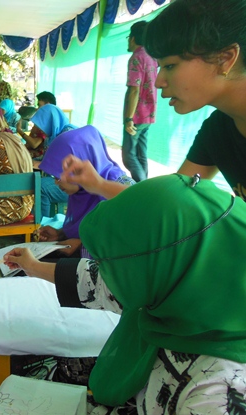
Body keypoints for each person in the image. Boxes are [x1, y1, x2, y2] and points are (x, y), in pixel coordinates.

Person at [4, 173, 246, 414]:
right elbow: (97, 281)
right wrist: (33, 266)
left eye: (120, 266)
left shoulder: (220, 393)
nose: (111, 275)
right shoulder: (184, 289)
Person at [62, 0, 246, 203]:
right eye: (160, 67)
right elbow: (168, 201)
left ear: (225, 59)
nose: (158, 82)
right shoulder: (218, 130)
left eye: (170, 66)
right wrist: (98, 184)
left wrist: (128, 119)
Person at [36, 125, 134, 257]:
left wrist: (81, 245)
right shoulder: (81, 192)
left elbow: (129, 240)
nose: (56, 182)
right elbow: (87, 229)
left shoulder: (122, 189)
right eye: (55, 177)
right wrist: (61, 234)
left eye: (59, 177)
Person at [122, 21, 157, 183]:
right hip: (149, 114)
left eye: (129, 38)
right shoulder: (152, 57)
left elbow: (134, 90)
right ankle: (145, 186)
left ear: (133, 38)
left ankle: (141, 187)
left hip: (136, 115)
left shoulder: (136, 58)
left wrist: (129, 118)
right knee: (141, 154)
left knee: (129, 156)